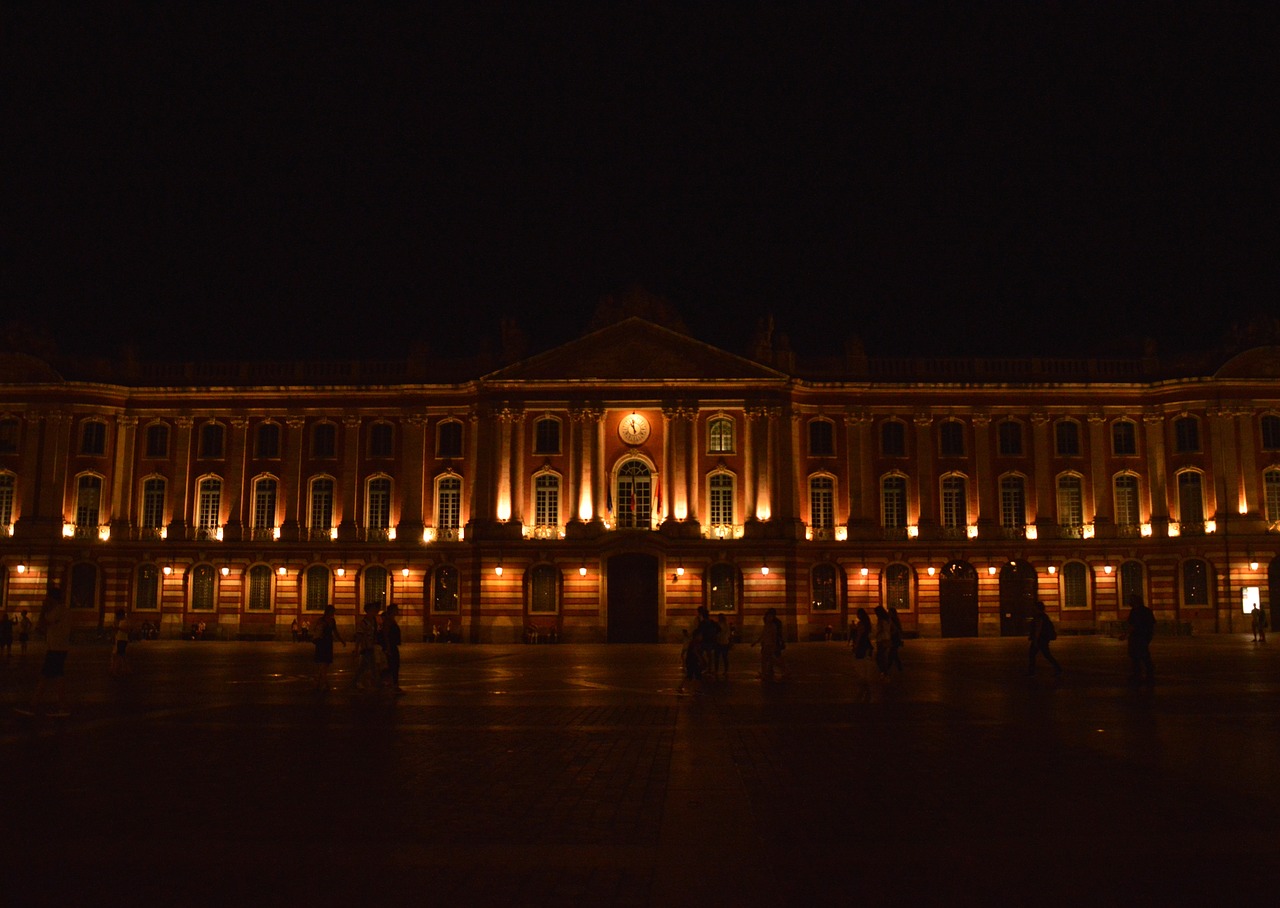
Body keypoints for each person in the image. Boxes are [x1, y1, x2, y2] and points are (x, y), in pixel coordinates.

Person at [17, 588, 71, 717]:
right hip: (59, 648)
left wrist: (43, 609)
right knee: (55, 678)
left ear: (52, 598)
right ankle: (58, 706)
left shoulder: (58, 610)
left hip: (55, 649)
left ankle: (34, 706)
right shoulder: (63, 610)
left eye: (47, 598)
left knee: (46, 677)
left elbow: (41, 626)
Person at [678, 606, 713, 695]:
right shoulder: (696, 642)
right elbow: (696, 652)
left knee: (692, 675)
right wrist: (701, 660)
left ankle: (684, 687)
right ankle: (695, 689)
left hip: (690, 661)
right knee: (696, 675)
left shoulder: (695, 640)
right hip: (693, 661)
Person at [310, 605, 345, 690]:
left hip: (327, 643)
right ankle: (324, 683)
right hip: (322, 643)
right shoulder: (323, 621)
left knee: (325, 664)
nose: (333, 613)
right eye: (333, 611)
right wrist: (341, 640)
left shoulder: (330, 621)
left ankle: (319, 682)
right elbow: (317, 631)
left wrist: (341, 640)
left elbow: (335, 631)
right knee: (323, 664)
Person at [1124, 593, 1155, 684]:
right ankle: (1149, 674)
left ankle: (1137, 675)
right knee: (1145, 656)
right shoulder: (1147, 611)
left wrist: (1125, 634)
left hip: (1136, 637)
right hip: (1145, 636)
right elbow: (1152, 624)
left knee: (1135, 656)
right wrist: (1149, 636)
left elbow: (1133, 625)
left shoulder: (1135, 611)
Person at [1027, 601, 1061, 677]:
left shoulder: (1039, 616)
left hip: (1040, 639)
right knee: (1046, 655)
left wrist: (1035, 639)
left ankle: (1031, 672)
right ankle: (1058, 668)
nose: (1033, 608)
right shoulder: (1044, 616)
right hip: (1043, 639)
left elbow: (1038, 628)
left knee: (1033, 655)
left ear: (1037, 607)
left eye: (1034, 607)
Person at [352, 603, 380, 690]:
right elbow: (359, 636)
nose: (374, 612)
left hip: (371, 646)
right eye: (372, 610)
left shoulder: (374, 621)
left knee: (367, 665)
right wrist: (357, 649)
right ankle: (358, 681)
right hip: (366, 646)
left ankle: (359, 681)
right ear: (367, 611)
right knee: (369, 665)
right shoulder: (364, 622)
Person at [850, 607, 875, 702]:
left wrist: (855, 645)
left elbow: (859, 636)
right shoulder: (868, 623)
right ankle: (865, 681)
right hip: (866, 644)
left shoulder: (861, 624)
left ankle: (864, 681)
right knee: (864, 662)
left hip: (861, 645)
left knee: (858, 663)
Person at [751, 607, 783, 683]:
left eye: (769, 616)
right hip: (766, 645)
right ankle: (766, 673)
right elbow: (763, 635)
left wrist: (774, 645)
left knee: (771, 660)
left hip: (770, 645)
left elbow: (774, 636)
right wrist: (756, 642)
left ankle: (783, 670)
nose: (767, 618)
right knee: (767, 660)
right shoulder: (767, 625)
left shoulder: (773, 626)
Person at [381, 603, 403, 694]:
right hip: (391, 646)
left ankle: (392, 684)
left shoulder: (392, 620)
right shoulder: (388, 621)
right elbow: (385, 634)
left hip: (392, 645)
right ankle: (393, 685)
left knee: (393, 666)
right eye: (396, 609)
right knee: (393, 665)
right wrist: (388, 647)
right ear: (392, 610)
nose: (398, 611)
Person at [110, 608, 132, 677]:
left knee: (119, 656)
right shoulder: (119, 621)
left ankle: (116, 670)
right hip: (119, 639)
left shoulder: (125, 621)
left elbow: (127, 630)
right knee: (120, 655)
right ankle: (125, 669)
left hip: (122, 640)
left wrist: (118, 628)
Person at [873, 606, 893, 677]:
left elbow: (881, 629)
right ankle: (884, 671)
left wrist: (876, 634)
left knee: (879, 656)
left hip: (881, 639)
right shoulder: (888, 619)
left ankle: (883, 670)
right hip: (887, 638)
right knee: (884, 655)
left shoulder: (881, 620)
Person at [712, 613, 731, 679]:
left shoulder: (723, 624)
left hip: (721, 642)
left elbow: (720, 633)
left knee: (721, 657)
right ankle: (721, 670)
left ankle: (721, 670)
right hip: (723, 642)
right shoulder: (725, 624)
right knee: (722, 657)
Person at [887, 606, 905, 672]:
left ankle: (887, 669)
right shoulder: (896, 619)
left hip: (894, 639)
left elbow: (894, 630)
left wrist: (889, 634)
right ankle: (899, 667)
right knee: (894, 654)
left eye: (889, 612)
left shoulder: (892, 620)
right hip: (896, 639)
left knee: (891, 654)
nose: (888, 613)